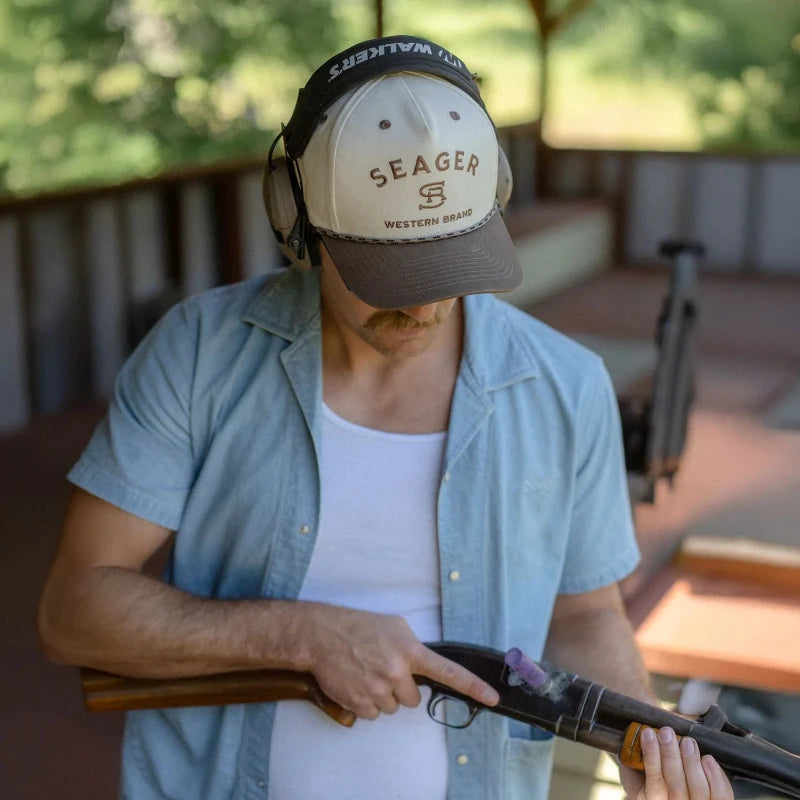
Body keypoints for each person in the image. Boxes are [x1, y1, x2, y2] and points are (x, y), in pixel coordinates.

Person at [37, 35, 733, 800]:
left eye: (450, 266)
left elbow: (585, 614)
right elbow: (75, 610)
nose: (424, 306)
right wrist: (297, 635)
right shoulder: (198, 353)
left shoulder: (568, 386)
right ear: (299, 221)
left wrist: (636, 746)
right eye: (390, 274)